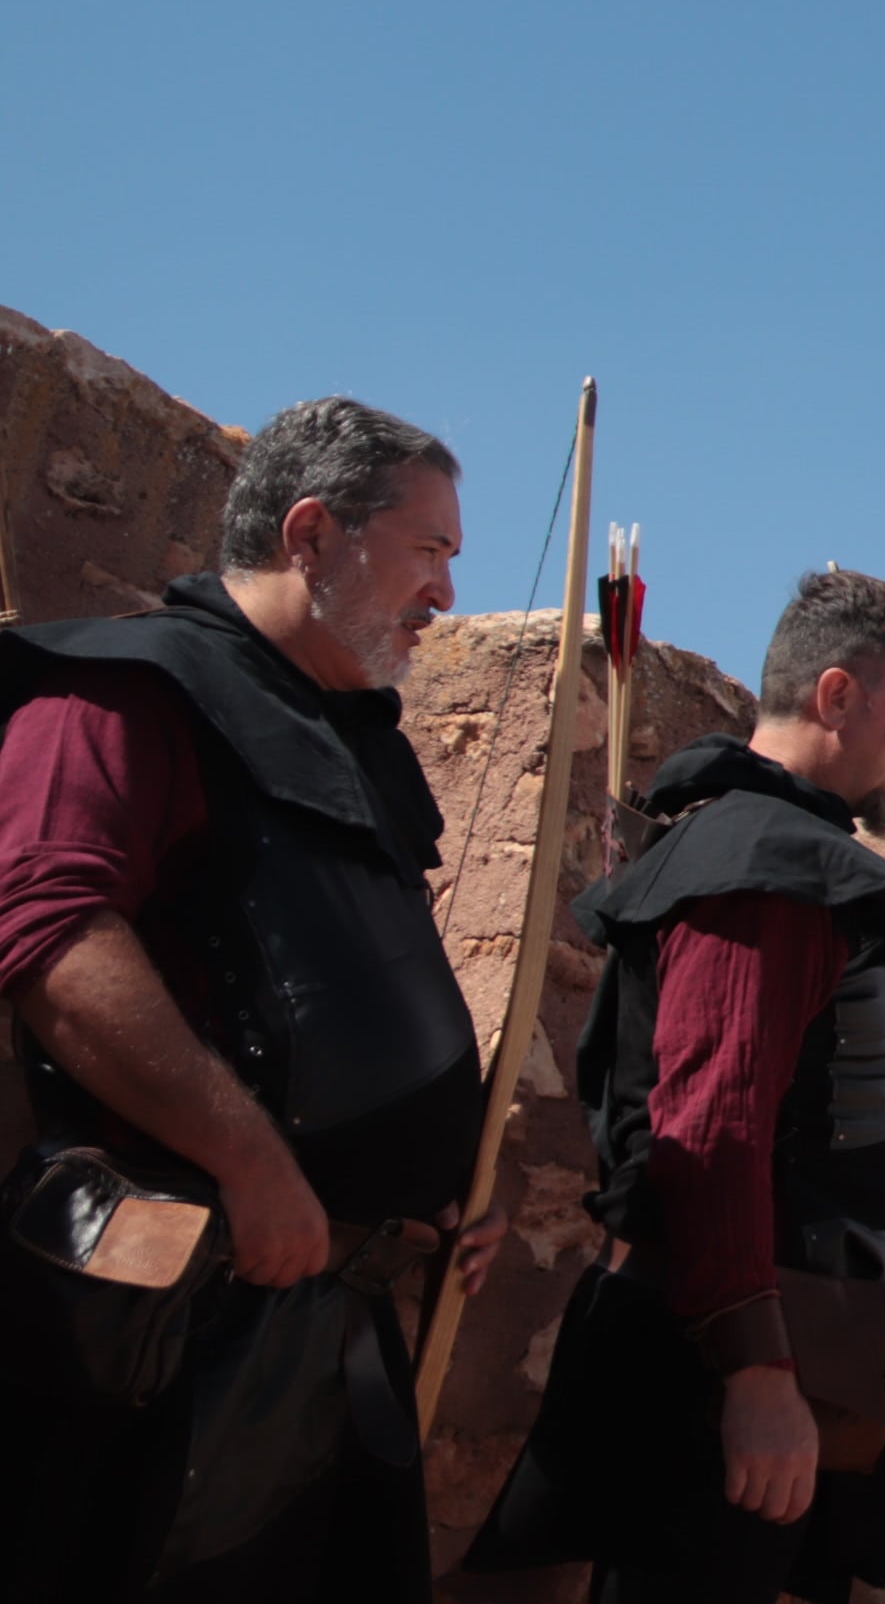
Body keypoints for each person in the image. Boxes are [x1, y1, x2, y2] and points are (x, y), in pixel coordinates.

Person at [0, 396, 508, 1602]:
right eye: (430, 549)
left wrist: (424, 1207)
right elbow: (50, 928)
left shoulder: (340, 737)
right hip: (166, 1325)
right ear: (313, 531)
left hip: (322, 1321)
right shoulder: (130, 687)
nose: (447, 592)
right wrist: (248, 1159)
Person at [467, 567, 885, 1602]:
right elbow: (711, 1129)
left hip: (790, 1355)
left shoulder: (782, 852)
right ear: (837, 696)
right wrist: (756, 1368)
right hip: (721, 1376)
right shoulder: (762, 864)